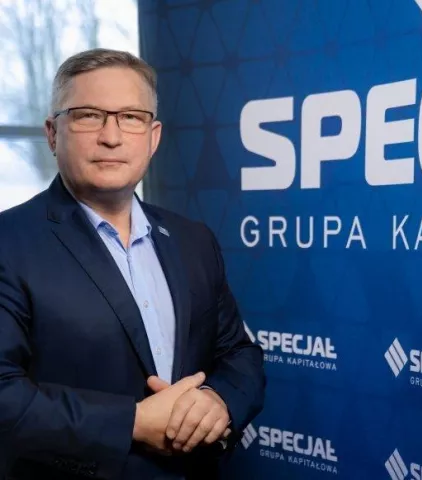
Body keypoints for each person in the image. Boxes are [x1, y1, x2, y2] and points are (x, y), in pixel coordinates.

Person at [0, 48, 265, 480]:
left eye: (131, 117)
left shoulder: (194, 240)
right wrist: (133, 423)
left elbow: (238, 352)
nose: (112, 136)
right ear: (52, 133)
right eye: (88, 115)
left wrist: (219, 401)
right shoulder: (8, 242)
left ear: (153, 136)